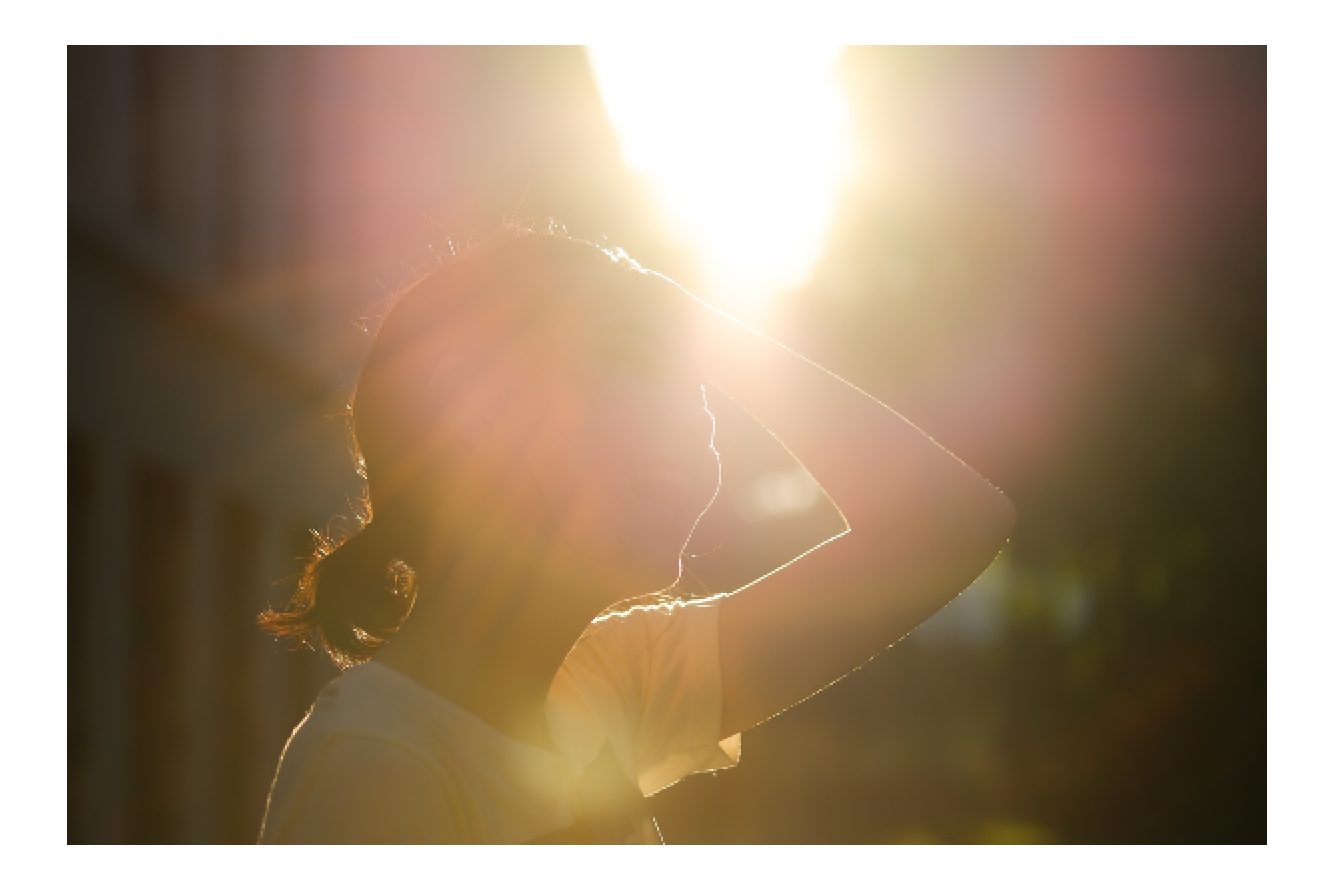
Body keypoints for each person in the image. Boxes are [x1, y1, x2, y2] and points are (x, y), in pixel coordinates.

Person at [256, 228, 1015, 844]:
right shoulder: (377, 765)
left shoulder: (605, 681)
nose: (695, 425)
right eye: (631, 358)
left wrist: (692, 317)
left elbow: (952, 524)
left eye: (699, 384)